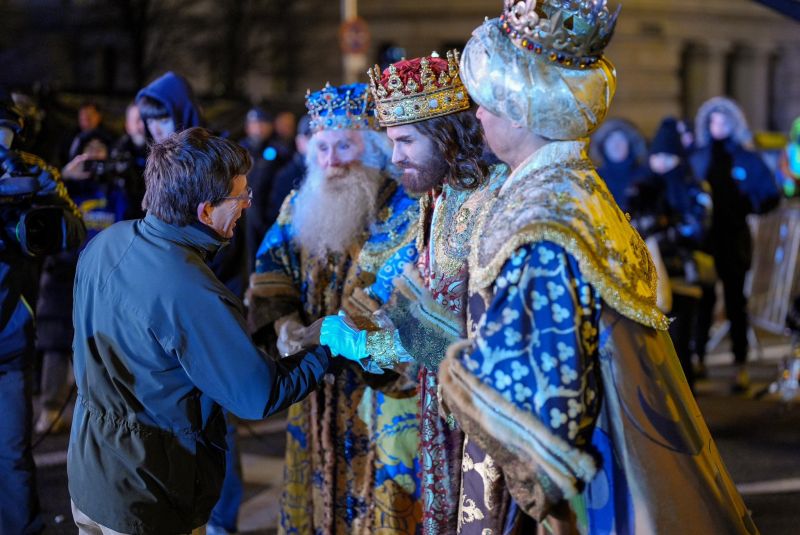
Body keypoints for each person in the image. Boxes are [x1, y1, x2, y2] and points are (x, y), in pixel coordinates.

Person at [431, 2, 756, 533]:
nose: (478, 115)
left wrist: (432, 342)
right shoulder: (575, 187)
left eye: (486, 102)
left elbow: (541, 402)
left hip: (587, 482)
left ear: (520, 109)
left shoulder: (540, 215)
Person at [67, 127, 334, 534]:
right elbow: (258, 395)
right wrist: (325, 349)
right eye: (239, 197)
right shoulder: (192, 290)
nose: (247, 204)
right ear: (205, 211)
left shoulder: (107, 242)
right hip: (147, 489)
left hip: (90, 469)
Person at [319, 50, 508, 532]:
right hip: (439, 409)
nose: (395, 157)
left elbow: (472, 335)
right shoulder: (439, 198)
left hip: (484, 420)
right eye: (391, 141)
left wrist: (372, 345)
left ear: (446, 137)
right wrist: (372, 333)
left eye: (405, 141)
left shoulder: (492, 201)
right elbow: (424, 309)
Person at [248, 82, 421, 534]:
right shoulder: (297, 203)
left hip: (378, 398)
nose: (331, 161)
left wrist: (340, 335)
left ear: (375, 149)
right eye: (322, 147)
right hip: (311, 390)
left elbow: (404, 300)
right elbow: (272, 267)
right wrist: (284, 324)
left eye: (345, 146)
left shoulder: (408, 209)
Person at [0, 88, 85, 535]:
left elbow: (74, 228)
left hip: (9, 341)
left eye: (5, 132)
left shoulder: (32, 172)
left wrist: (34, 220)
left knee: (12, 457)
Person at [35, 128, 128, 435]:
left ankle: (93, 411)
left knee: (100, 346)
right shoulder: (62, 188)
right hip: (63, 274)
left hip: (104, 278)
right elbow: (39, 210)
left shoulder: (116, 190)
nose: (95, 156)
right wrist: (63, 177)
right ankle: (51, 407)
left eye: (101, 149)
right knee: (56, 343)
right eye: (89, 149)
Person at [691, 96, 780, 391]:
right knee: (703, 299)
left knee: (734, 301)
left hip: (733, 237)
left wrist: (748, 204)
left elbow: (769, 195)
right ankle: (697, 357)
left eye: (724, 121)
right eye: (714, 121)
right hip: (705, 240)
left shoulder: (745, 157)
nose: (718, 126)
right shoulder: (699, 157)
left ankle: (739, 363)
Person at [631, 117, 713, 391]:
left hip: (682, 276)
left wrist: (665, 234)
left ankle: (685, 403)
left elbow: (698, 227)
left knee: (680, 345)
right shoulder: (641, 187)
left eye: (670, 157)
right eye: (658, 157)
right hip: (648, 279)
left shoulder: (691, 187)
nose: (663, 164)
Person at [590, 118, 650, 212]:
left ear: (630, 144)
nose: (616, 144)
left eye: (621, 139)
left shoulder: (646, 176)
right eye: (610, 139)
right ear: (603, 145)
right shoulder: (594, 179)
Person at [112, 102, 149, 218]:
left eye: (143, 120)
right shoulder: (118, 152)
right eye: (136, 120)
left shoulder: (160, 149)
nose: (141, 125)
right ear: (127, 125)